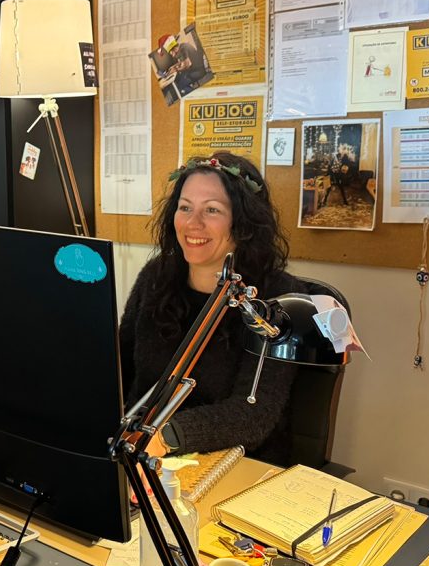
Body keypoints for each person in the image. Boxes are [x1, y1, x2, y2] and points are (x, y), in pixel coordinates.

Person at [119, 152, 302, 464]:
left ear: (243, 222)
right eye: (185, 207)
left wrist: (165, 438)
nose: (193, 223)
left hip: (232, 465)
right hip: (141, 454)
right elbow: (120, 369)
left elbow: (252, 414)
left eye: (212, 210)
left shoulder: (275, 300)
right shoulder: (156, 278)